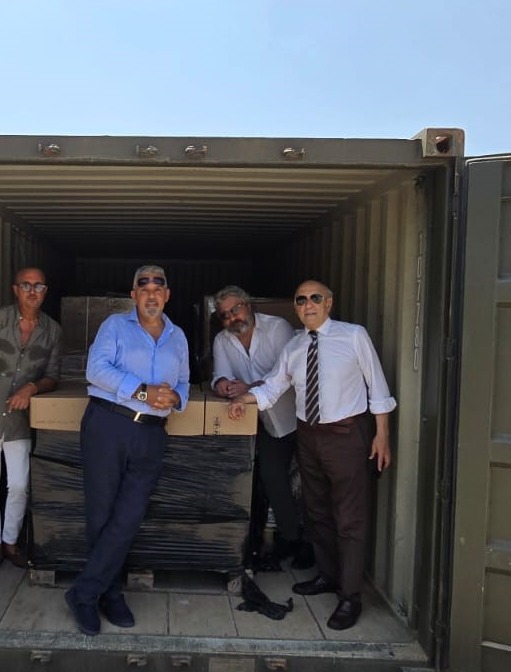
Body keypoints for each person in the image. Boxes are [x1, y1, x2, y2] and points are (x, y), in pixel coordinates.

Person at [228, 280, 396, 631]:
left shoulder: (353, 336)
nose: (308, 304)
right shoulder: (294, 346)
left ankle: (350, 596)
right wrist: (245, 398)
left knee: (349, 517)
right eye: (301, 300)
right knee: (317, 510)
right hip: (309, 435)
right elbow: (274, 386)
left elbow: (378, 387)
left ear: (329, 303)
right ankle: (328, 575)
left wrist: (382, 435)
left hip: (346, 435)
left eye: (315, 298)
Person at [65, 265, 190, 635]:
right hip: (109, 424)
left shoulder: (178, 336)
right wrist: (143, 391)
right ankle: (109, 594)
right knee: (102, 515)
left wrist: (176, 397)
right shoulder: (114, 326)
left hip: (151, 433)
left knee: (130, 516)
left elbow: (184, 380)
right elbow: (95, 370)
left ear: (167, 295)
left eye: (158, 287)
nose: (151, 293)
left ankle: (85, 592)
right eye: (143, 287)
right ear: (133, 295)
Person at [0, 267, 61, 579]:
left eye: (38, 286)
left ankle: (10, 543)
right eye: (26, 285)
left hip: (19, 418)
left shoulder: (53, 331)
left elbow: (52, 376)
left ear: (45, 291)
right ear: (15, 290)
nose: (32, 291)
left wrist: (30, 388)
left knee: (18, 483)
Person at [211, 285, 314, 569]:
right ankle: (290, 539)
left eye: (235, 309)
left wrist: (248, 387)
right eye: (224, 315)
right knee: (272, 477)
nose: (232, 318)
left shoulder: (277, 328)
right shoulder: (222, 340)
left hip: (302, 417)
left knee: (312, 483)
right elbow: (219, 375)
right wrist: (223, 385)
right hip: (269, 422)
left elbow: (287, 375)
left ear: (249, 305)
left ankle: (313, 545)